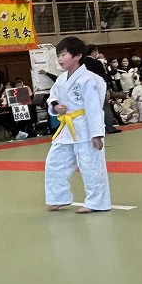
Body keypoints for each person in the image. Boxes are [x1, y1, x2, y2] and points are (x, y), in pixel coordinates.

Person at [45, 36, 111, 213]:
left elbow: (94, 108)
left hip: (85, 127)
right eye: (59, 55)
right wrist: (55, 106)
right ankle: (58, 197)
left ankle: (96, 202)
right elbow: (52, 97)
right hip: (66, 128)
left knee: (91, 165)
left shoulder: (88, 79)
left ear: (78, 56)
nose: (60, 59)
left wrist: (97, 134)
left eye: (64, 54)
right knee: (54, 163)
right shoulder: (61, 80)